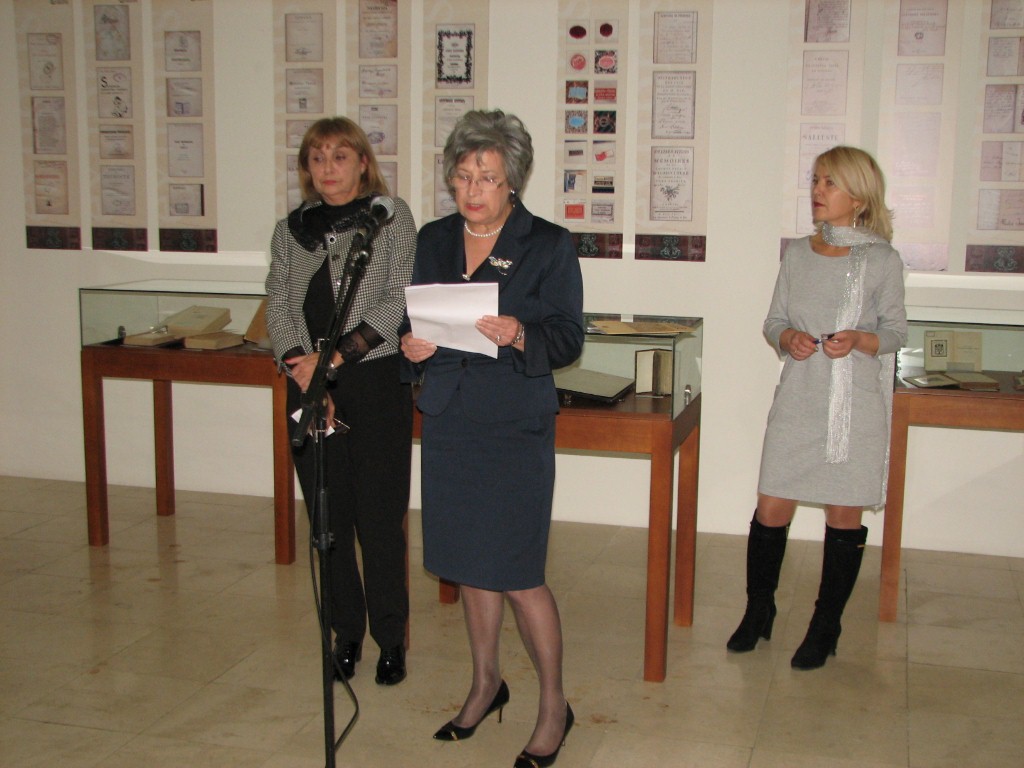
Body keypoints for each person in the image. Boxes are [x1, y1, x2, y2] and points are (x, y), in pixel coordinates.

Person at [400, 109, 584, 767]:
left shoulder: (548, 244)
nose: (473, 189)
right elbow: (412, 320)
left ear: (513, 182)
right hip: (450, 419)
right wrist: (411, 348)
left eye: (488, 177)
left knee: (518, 572)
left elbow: (568, 336)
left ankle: (554, 705)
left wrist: (522, 333)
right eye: (463, 175)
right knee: (469, 564)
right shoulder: (433, 238)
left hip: (513, 424)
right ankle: (485, 684)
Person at [726, 145, 906, 670]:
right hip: (800, 395)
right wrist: (789, 338)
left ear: (859, 197)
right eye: (815, 180)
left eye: (829, 183)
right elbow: (773, 321)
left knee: (843, 512)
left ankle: (826, 625)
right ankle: (759, 610)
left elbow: (896, 332)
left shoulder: (882, 260)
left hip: (855, 404)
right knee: (770, 507)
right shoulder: (799, 254)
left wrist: (859, 339)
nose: (817, 191)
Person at [265, 116, 417, 686]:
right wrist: (301, 366)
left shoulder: (390, 218)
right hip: (307, 382)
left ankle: (390, 638)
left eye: (339, 156)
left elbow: (397, 300)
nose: (328, 168)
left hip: (373, 380)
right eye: (317, 157)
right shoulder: (291, 231)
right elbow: (278, 302)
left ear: (362, 163)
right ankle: (345, 633)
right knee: (328, 520)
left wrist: (332, 360)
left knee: (379, 519)